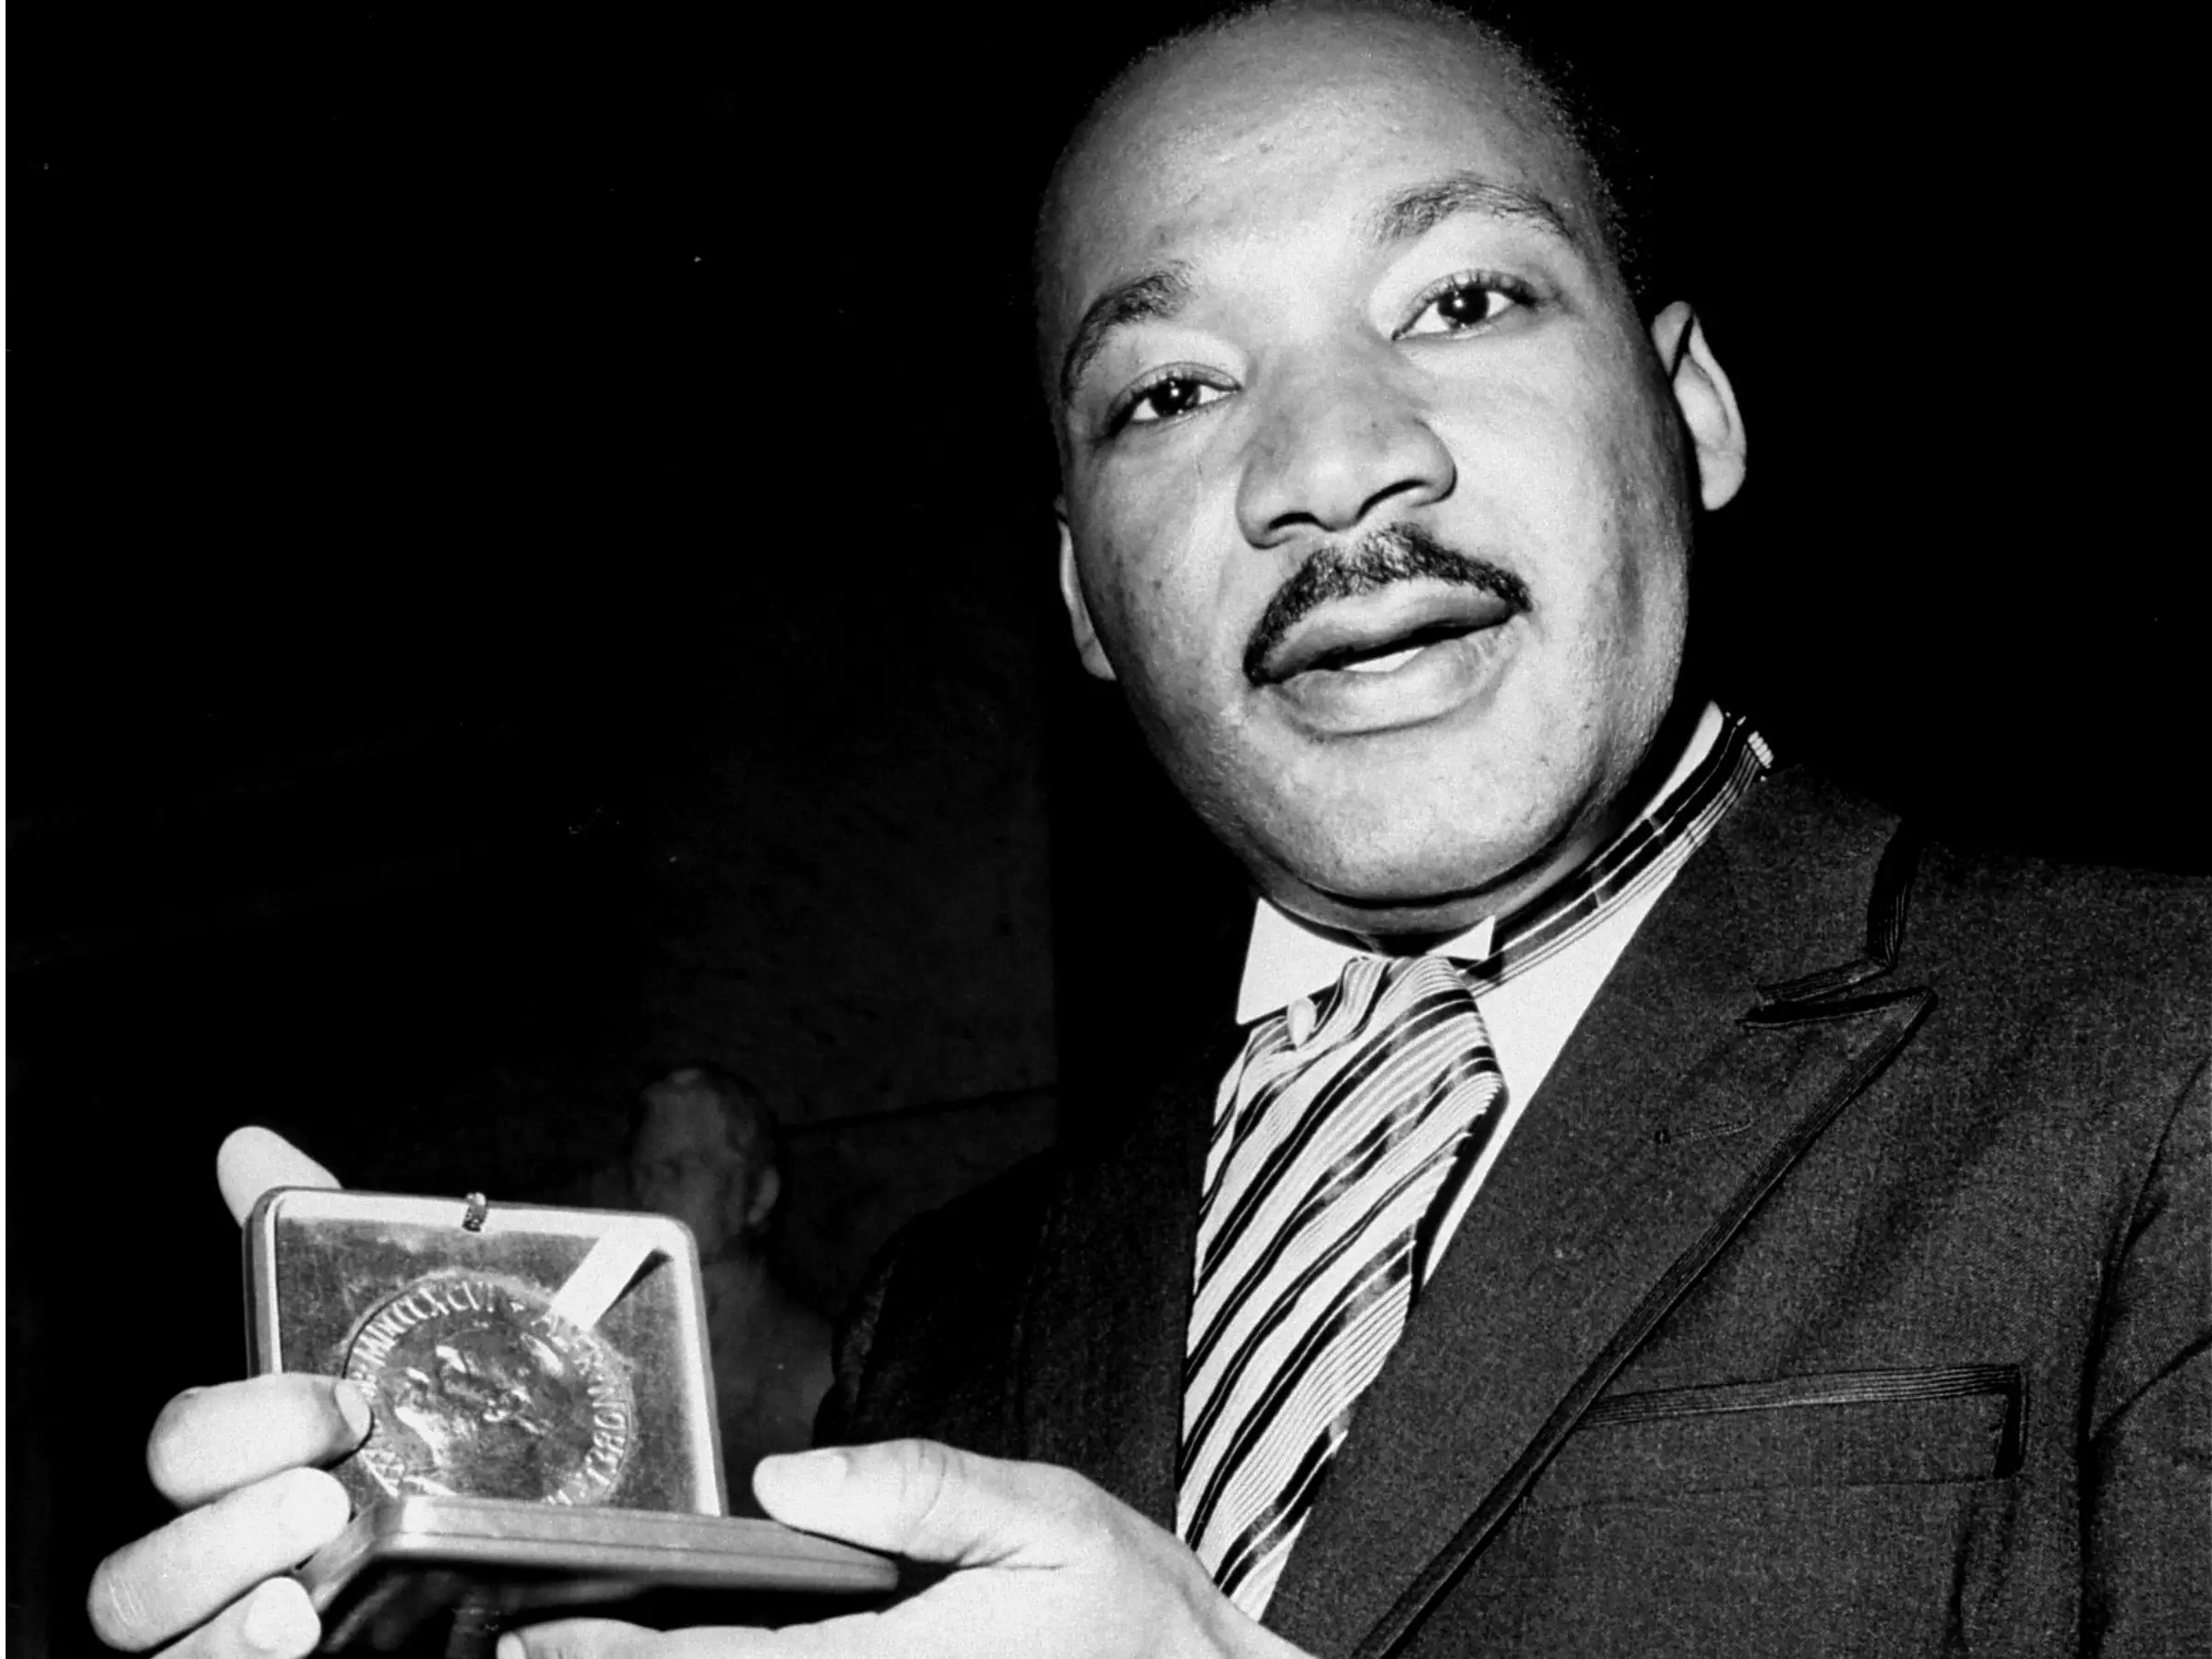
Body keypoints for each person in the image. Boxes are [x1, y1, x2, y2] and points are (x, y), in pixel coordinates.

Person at [87, 3, 2206, 1655]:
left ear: (1697, 409)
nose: (1333, 463)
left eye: (1461, 302)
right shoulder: (952, 1304)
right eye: (1171, 390)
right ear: (1090, 592)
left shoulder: (2159, 1046)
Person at [626, 1065, 833, 1514]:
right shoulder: (619, 1355)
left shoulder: (819, 1379)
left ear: (759, 1193)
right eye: (641, 1172)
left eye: (678, 1169)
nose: (649, 1192)